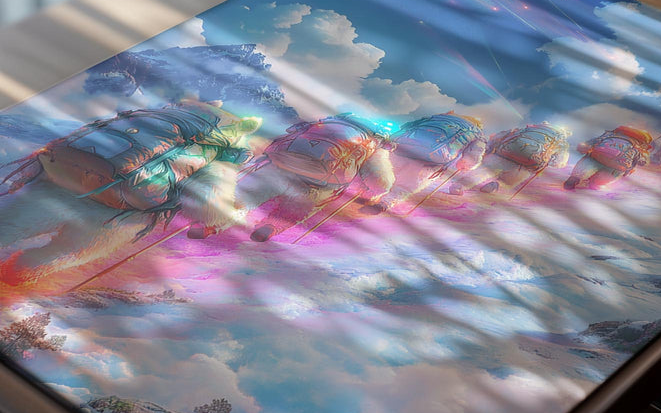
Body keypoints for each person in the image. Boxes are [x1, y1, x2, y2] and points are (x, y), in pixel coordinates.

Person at [0, 99, 261, 286]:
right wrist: (229, 217)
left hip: (61, 182)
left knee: (8, 229)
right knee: (57, 256)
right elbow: (207, 207)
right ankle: (16, 280)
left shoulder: (150, 119)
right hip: (117, 216)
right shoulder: (212, 152)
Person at [239, 113, 395, 241]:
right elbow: (380, 179)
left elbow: (287, 134)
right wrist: (375, 194)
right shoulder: (373, 142)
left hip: (283, 162)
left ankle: (236, 209)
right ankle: (273, 225)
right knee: (301, 202)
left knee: (258, 188)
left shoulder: (324, 123)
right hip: (321, 179)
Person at [365, 112, 486, 212]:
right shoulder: (476, 134)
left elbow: (407, 126)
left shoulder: (439, 117)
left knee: (386, 172)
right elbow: (473, 157)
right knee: (406, 185)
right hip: (431, 160)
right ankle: (385, 203)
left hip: (402, 147)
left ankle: (371, 192)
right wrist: (465, 166)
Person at [451, 122, 570, 195]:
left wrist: (488, 149)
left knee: (485, 170)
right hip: (526, 165)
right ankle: (496, 185)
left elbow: (499, 137)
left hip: (503, 154)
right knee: (509, 181)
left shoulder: (526, 129)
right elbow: (559, 163)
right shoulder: (561, 142)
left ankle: (459, 187)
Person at [563, 125, 653, 190]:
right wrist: (627, 171)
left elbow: (590, 143)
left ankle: (575, 177)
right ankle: (595, 182)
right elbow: (638, 161)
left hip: (597, 156)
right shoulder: (638, 147)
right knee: (600, 181)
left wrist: (584, 147)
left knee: (588, 162)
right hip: (616, 166)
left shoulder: (609, 136)